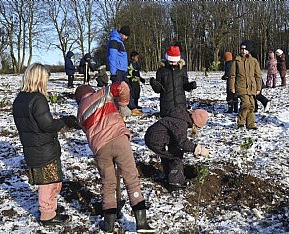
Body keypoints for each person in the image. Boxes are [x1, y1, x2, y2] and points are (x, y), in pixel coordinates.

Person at [74, 83, 154, 233]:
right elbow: (123, 86)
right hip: (119, 139)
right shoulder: (104, 93)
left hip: (100, 148)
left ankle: (109, 225)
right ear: (92, 91)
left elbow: (88, 130)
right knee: (131, 178)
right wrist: (123, 104)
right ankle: (142, 223)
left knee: (108, 184)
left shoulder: (80, 113)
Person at [12, 63, 78, 226]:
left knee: (50, 181)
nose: (46, 82)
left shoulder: (20, 98)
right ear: (39, 79)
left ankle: (50, 207)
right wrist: (65, 121)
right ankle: (47, 215)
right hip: (43, 148)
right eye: (46, 79)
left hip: (33, 147)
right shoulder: (38, 98)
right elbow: (47, 126)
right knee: (49, 183)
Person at [145, 107, 209, 191]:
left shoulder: (181, 117)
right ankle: (175, 184)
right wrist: (197, 149)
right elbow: (182, 142)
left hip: (156, 137)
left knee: (169, 154)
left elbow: (178, 139)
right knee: (176, 156)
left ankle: (168, 176)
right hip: (156, 140)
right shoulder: (181, 123)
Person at [150, 45, 197, 117]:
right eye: (170, 61)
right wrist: (154, 84)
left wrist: (190, 85)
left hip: (180, 107)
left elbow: (185, 85)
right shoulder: (161, 71)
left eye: (174, 62)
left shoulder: (182, 70)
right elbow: (158, 89)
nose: (172, 63)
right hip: (166, 108)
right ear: (167, 59)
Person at [107, 26, 142, 116]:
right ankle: (120, 109)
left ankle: (132, 107)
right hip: (118, 71)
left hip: (122, 70)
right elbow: (112, 58)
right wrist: (113, 73)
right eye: (126, 36)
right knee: (120, 91)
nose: (126, 38)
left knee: (127, 89)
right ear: (122, 33)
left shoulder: (119, 41)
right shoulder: (115, 41)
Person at [229, 40, 262, 129]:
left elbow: (258, 75)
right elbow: (232, 75)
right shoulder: (236, 61)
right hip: (240, 86)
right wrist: (232, 87)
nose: (243, 51)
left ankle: (251, 125)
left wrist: (259, 88)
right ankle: (241, 122)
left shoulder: (254, 61)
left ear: (249, 50)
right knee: (245, 104)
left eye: (245, 49)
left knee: (252, 105)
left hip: (251, 87)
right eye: (242, 49)